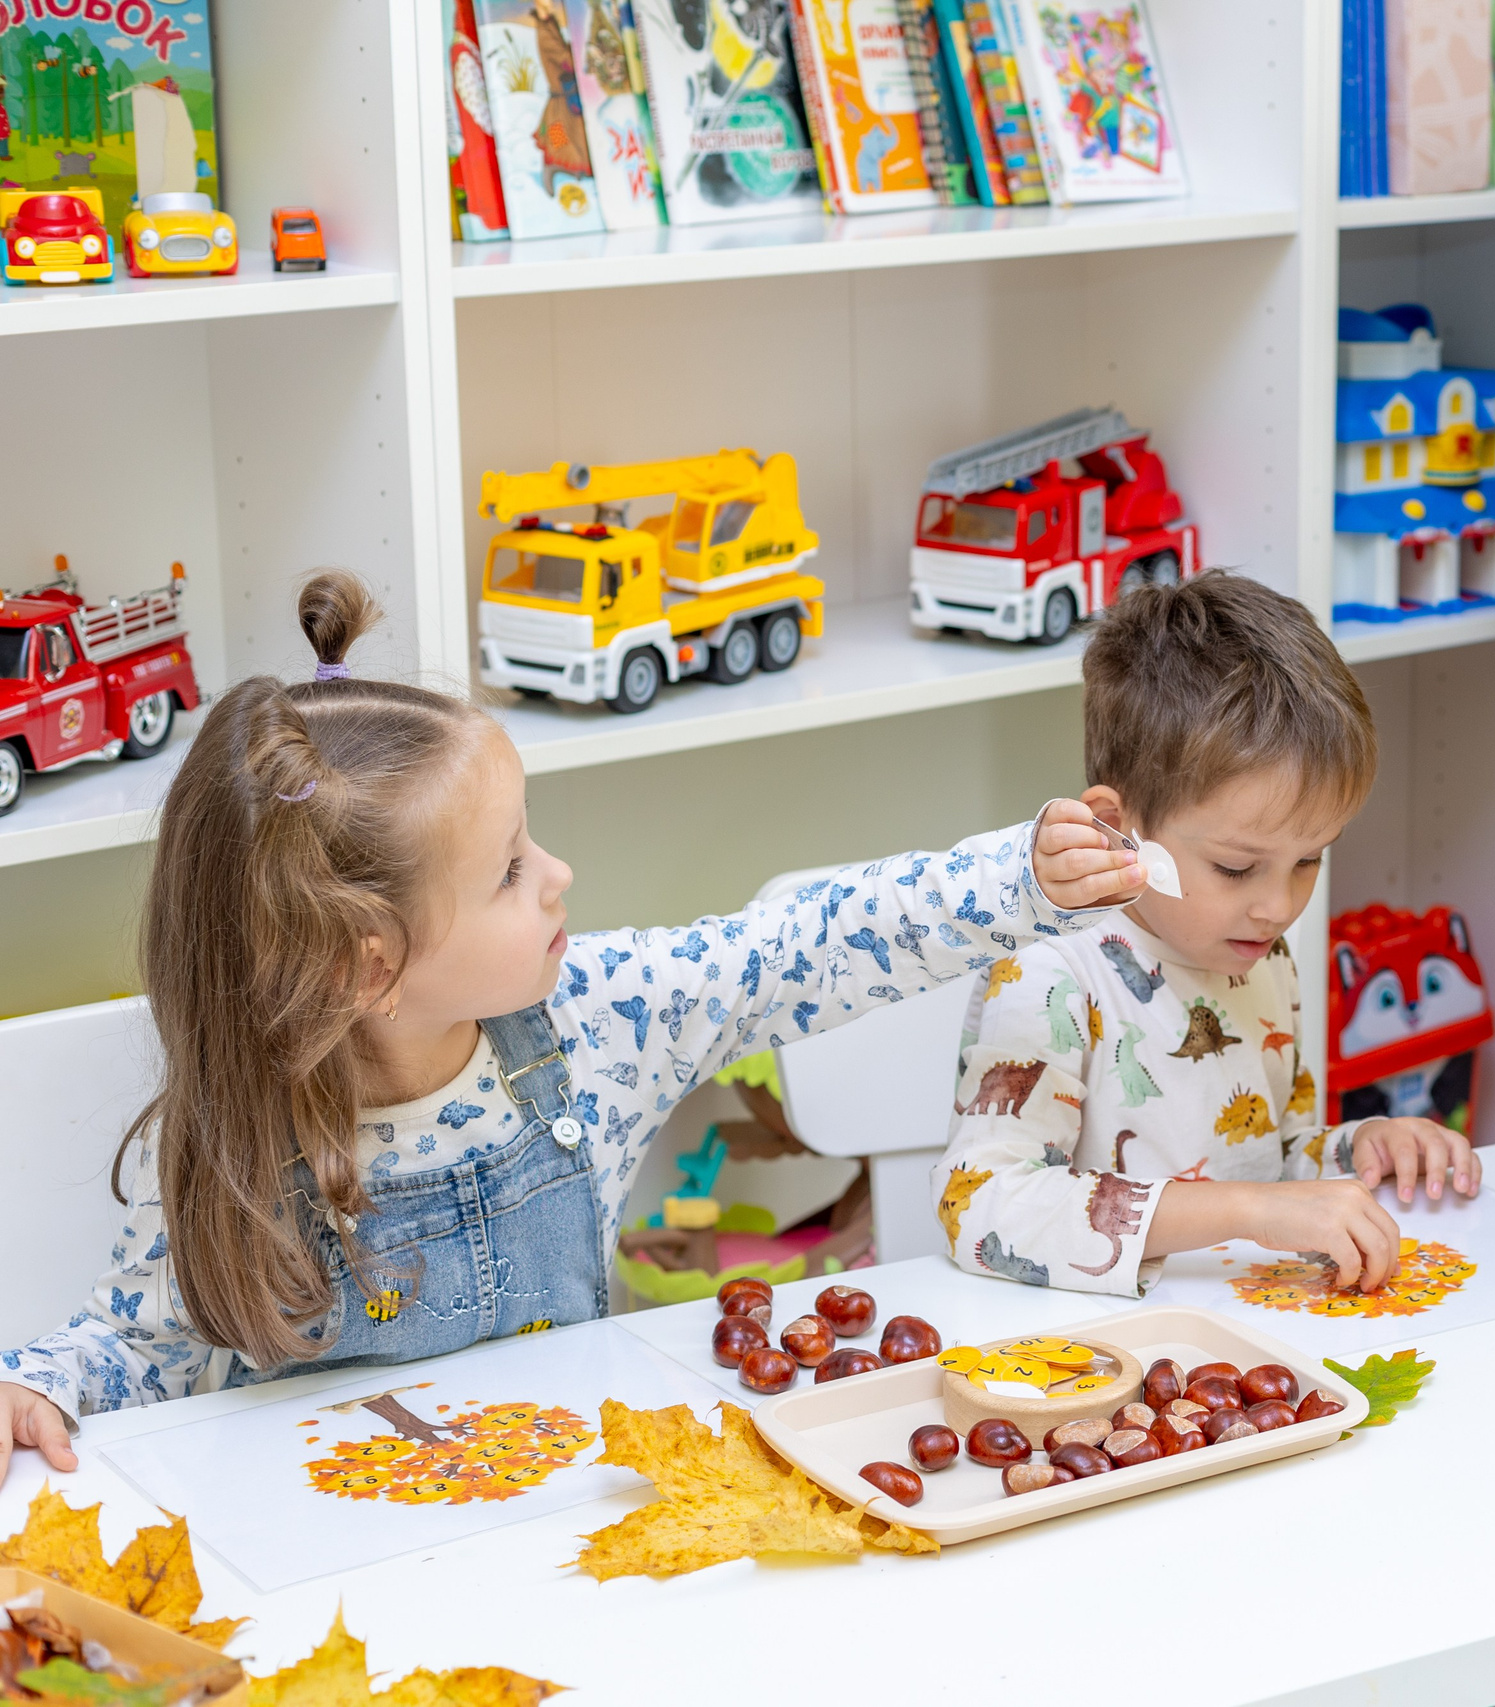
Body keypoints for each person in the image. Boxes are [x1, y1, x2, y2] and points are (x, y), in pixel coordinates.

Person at [0, 571, 1142, 1487]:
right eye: (506, 871)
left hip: (579, 1508)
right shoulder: (240, 1130)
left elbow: (803, 948)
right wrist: (36, 1386)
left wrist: (1017, 876)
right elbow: (143, 1342)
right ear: (370, 968)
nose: (558, 875)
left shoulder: (601, 1018)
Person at [931, 569, 1480, 1297]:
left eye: (1310, 858)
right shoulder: (1048, 972)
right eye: (1236, 866)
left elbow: (1271, 1162)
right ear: (1118, 826)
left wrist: (1361, 1149)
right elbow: (982, 1206)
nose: (1278, 905)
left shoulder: (1257, 952)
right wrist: (1250, 1209)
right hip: (1094, 1359)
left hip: (1239, 1341)